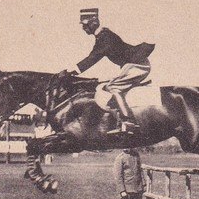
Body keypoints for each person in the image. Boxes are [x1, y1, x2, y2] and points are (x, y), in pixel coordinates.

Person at [62, 8, 155, 137]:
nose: (83, 28)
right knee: (106, 86)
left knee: (113, 87)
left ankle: (128, 122)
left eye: (84, 25)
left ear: (93, 22)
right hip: (133, 64)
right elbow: (93, 55)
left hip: (137, 65)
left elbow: (93, 57)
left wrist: (71, 71)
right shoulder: (102, 36)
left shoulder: (105, 37)